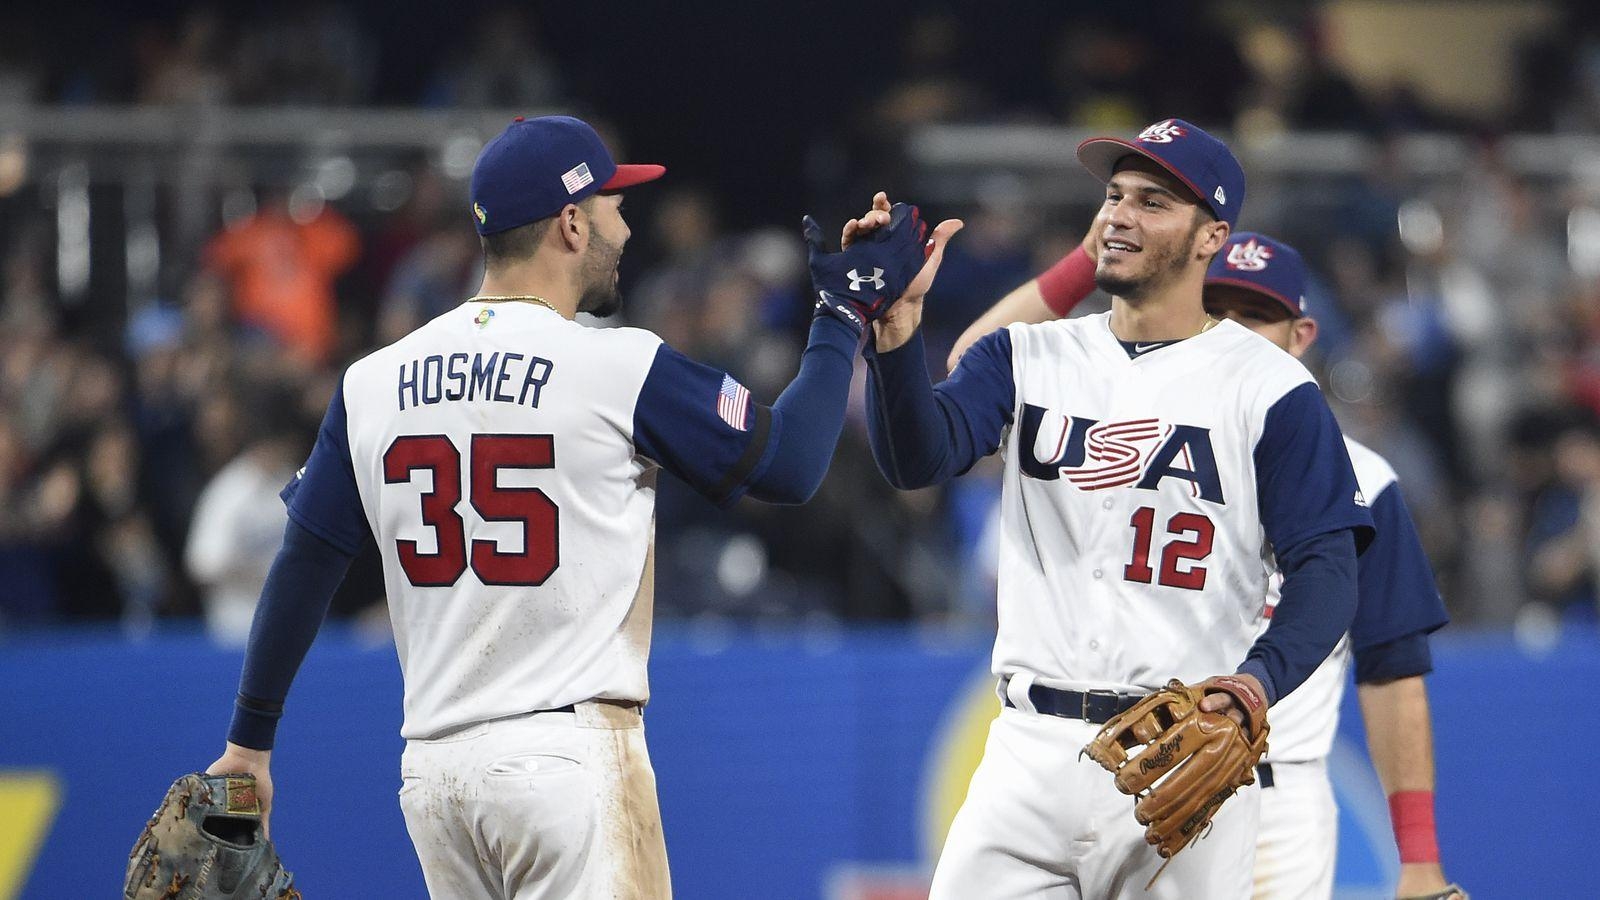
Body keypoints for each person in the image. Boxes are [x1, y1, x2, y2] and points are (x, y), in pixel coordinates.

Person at [202, 114, 960, 899]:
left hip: (434, 776)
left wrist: (249, 744)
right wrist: (841, 317)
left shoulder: (373, 381)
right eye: (613, 206)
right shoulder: (615, 365)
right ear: (570, 223)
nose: (626, 228)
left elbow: (306, 557)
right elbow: (795, 465)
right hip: (566, 761)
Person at [848, 119, 1373, 899]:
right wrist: (894, 338)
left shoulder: (1271, 389)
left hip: (1185, 751)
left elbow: (1327, 568)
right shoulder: (1026, 354)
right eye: (1115, 195)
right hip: (1028, 748)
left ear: (1211, 237)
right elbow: (916, 458)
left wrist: (1255, 685)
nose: (1120, 214)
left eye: (1153, 201)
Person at [954, 227, 1464, 900]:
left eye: (1256, 314)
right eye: (1218, 308)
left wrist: (1420, 857)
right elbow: (968, 368)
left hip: (1274, 794)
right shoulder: (1132, 449)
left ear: (1302, 335)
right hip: (1125, 771)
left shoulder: (1364, 479)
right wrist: (1090, 258)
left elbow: (1393, 672)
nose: (1233, 329)